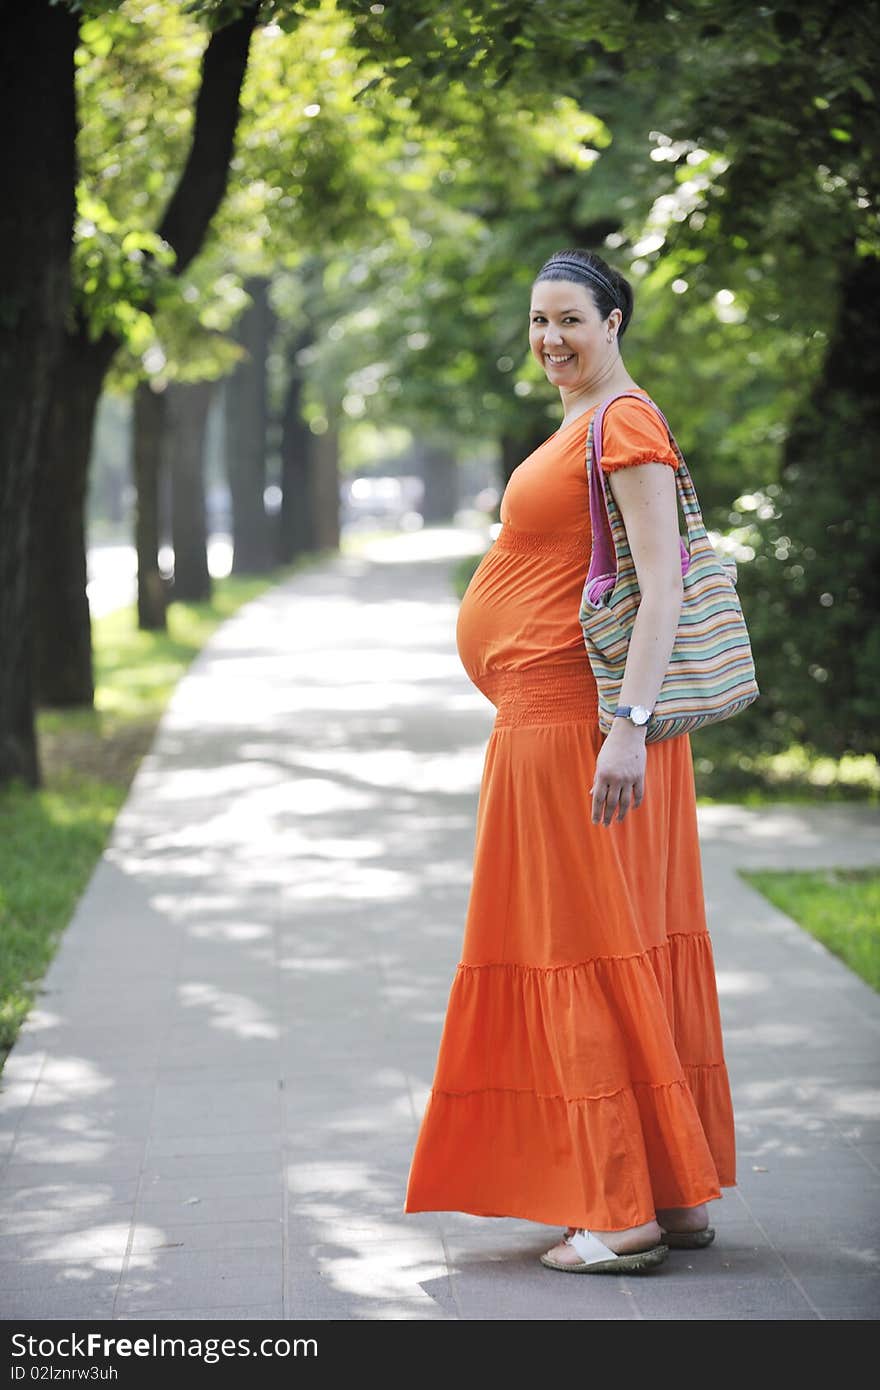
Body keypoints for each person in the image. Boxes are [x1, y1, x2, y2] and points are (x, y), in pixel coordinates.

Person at [403, 248, 736, 1274]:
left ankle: (617, 1209)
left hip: (581, 733)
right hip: (564, 728)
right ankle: (667, 1192)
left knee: (572, 949)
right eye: (538, 321)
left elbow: (665, 585)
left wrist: (628, 724)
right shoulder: (583, 421)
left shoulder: (622, 422)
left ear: (615, 322)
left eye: (570, 320)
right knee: (612, 941)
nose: (550, 339)